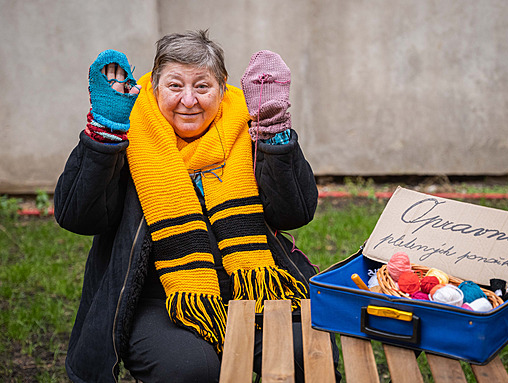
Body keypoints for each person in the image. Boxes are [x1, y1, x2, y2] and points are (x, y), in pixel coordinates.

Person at [55, 30, 339, 382]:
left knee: (306, 354)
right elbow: (76, 217)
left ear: (221, 89)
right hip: (157, 299)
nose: (188, 100)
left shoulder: (250, 128)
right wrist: (105, 135)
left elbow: (295, 212)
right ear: (154, 88)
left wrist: (273, 136)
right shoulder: (126, 135)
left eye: (202, 87)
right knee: (192, 369)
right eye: (175, 86)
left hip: (251, 288)